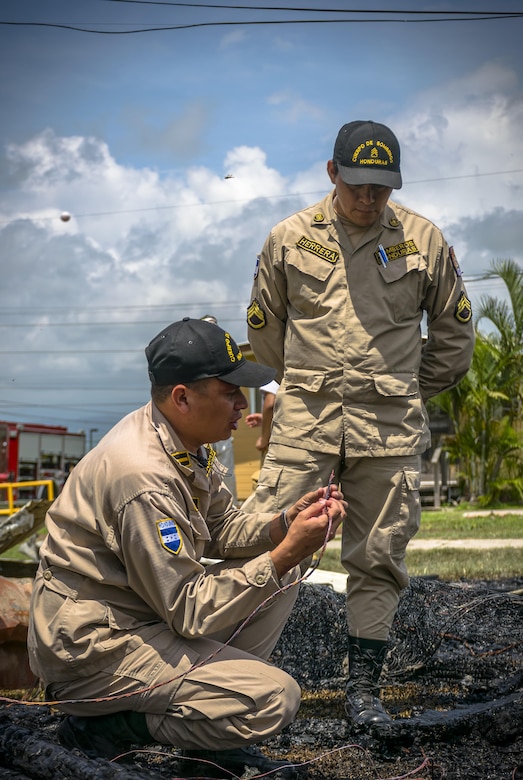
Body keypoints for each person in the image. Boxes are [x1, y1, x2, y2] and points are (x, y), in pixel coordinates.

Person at [27, 317, 346, 779]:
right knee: (271, 699)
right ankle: (109, 726)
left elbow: (221, 527)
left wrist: (283, 526)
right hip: (93, 647)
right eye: (230, 391)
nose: (242, 403)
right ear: (182, 397)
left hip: (141, 615)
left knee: (284, 574)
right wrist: (284, 553)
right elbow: (188, 610)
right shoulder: (141, 476)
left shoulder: (187, 442)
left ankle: (211, 715)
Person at [247, 120, 475, 727]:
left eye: (381, 188)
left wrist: (401, 391)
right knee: (265, 538)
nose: (368, 199)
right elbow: (265, 333)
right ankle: (229, 669)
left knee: (379, 555)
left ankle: (363, 689)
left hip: (389, 431)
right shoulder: (289, 238)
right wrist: (291, 390)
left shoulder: (423, 242)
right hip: (305, 425)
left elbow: (454, 338)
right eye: (357, 186)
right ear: (332, 174)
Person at [200, 314, 239, 502]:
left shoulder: (228, 359)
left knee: (226, 476)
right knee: (202, 477)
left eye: (214, 327)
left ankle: (230, 515)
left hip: (223, 430)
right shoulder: (193, 360)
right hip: (201, 430)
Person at [245, 379, 279, 460]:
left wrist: (264, 440)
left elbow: (270, 404)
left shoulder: (274, 373)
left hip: (276, 445)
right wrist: (266, 419)